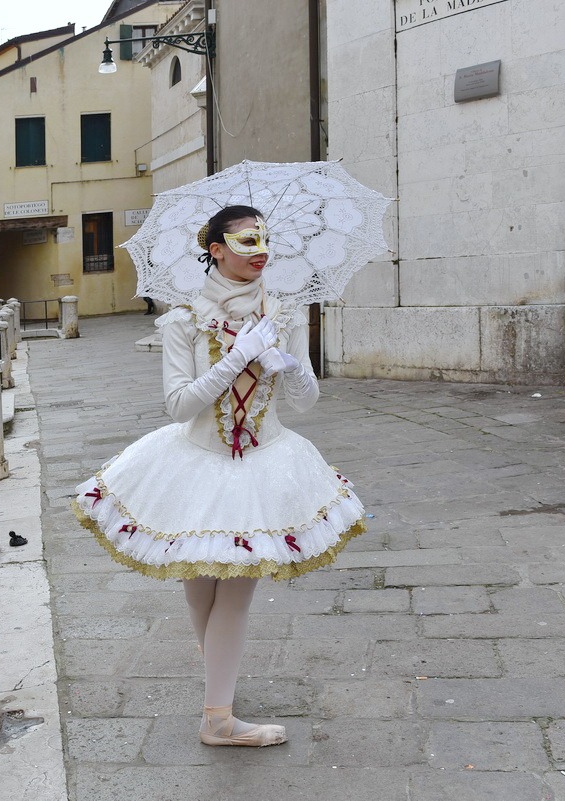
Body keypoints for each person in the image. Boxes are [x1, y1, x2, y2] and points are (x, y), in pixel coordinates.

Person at [74, 205, 366, 748]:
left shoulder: (285, 312)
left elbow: (305, 403)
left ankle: (218, 717)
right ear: (215, 249)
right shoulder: (184, 317)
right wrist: (237, 358)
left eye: (264, 240)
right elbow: (178, 405)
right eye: (246, 240)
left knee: (234, 593)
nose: (260, 252)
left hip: (265, 464)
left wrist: (293, 367)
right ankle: (221, 694)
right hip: (193, 464)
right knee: (200, 590)